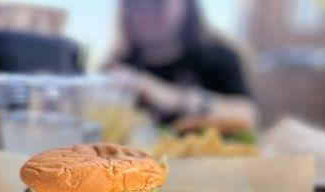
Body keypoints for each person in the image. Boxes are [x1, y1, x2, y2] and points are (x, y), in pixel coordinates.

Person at [110, 0, 257, 132]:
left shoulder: (217, 56)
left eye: (158, 3)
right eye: (135, 3)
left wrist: (169, 96)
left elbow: (247, 115)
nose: (145, 13)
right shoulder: (120, 64)